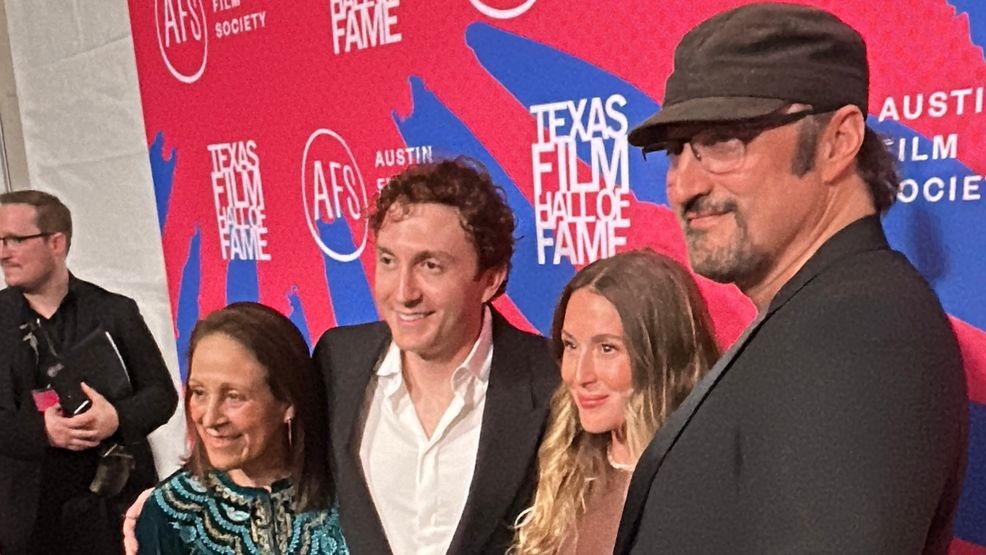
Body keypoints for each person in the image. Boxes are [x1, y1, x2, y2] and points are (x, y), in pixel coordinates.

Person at [614, 4, 968, 554]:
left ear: (838, 141)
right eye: (676, 151)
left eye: (723, 141)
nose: (683, 186)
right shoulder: (817, 312)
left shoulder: (863, 334)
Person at [313, 158, 558, 554]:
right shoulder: (337, 363)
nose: (404, 291)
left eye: (430, 265)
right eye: (389, 261)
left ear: (490, 279)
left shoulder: (551, 383)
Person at [0, 190, 178, 554]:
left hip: (114, 505)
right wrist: (42, 431)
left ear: (56, 242)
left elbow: (161, 394)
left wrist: (116, 418)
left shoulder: (115, 311)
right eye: (0, 241)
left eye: (16, 239)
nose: (4, 252)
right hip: (26, 516)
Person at [511, 249, 719, 555]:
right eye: (570, 345)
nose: (579, 374)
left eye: (606, 348)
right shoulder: (567, 469)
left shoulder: (709, 483)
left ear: (662, 356)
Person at [135, 302, 348, 554]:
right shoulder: (170, 512)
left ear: (288, 402)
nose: (210, 418)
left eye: (234, 396)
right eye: (199, 392)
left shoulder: (350, 493)